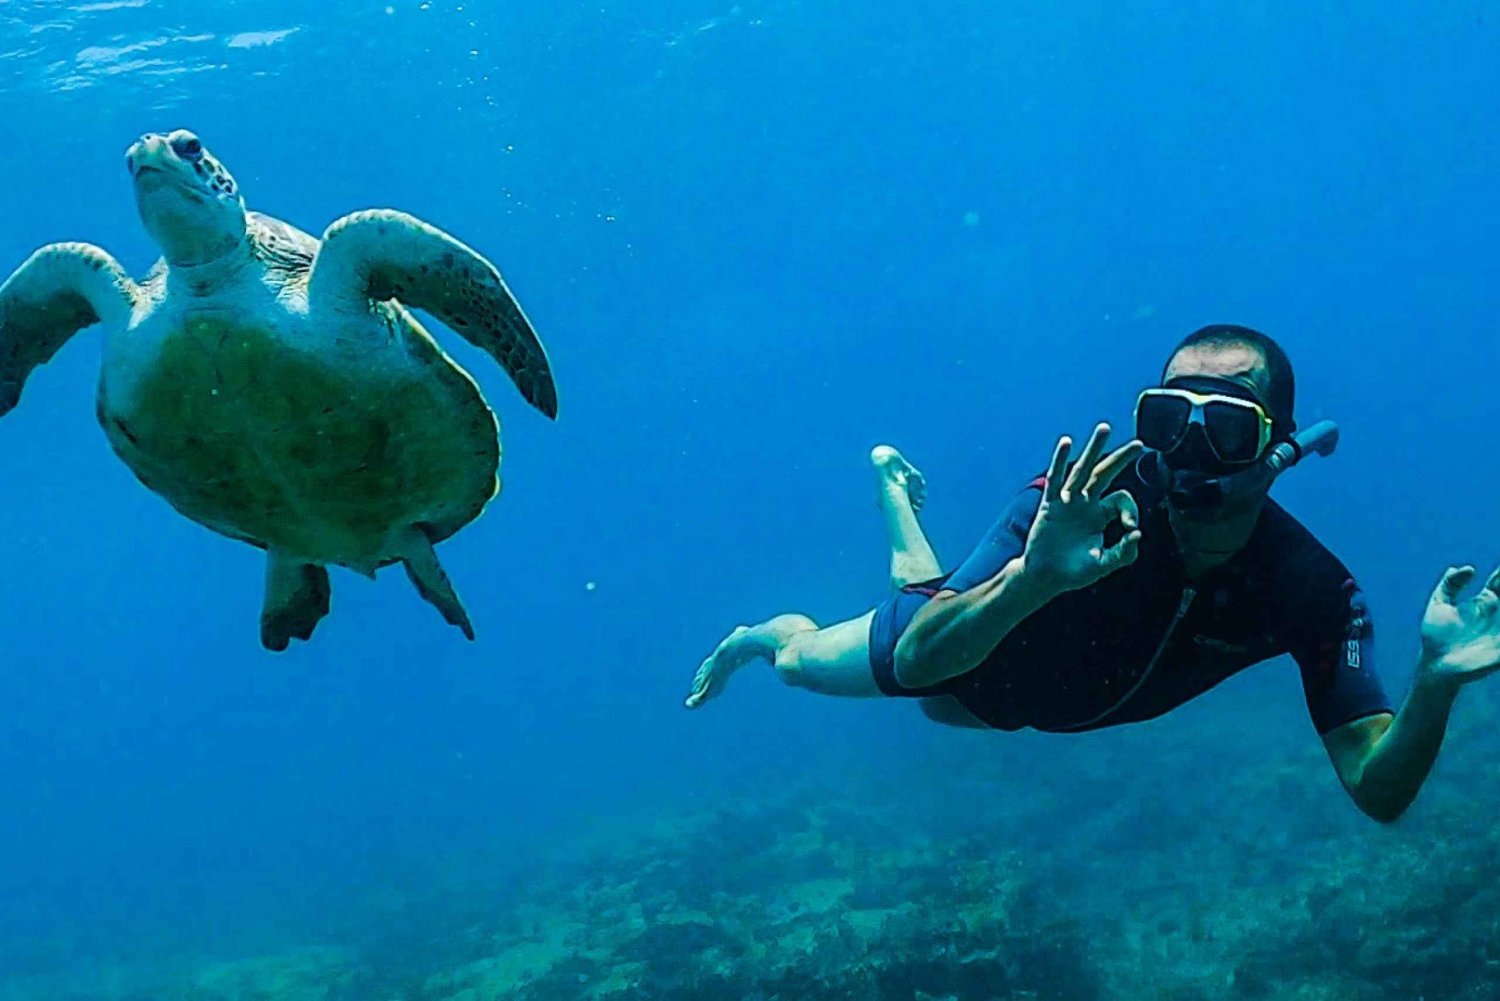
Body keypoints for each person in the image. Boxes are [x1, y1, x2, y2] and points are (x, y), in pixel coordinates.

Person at [684, 324, 1500, 824]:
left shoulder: (1313, 589)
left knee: (928, 618)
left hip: (1005, 699)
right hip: (964, 661)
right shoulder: (1076, 504)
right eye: (1168, 420)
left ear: (1277, 449)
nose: (1189, 454)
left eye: (1225, 430)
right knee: (806, 664)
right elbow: (919, 661)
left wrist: (1433, 686)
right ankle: (764, 629)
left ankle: (895, 492)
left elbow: (1377, 789)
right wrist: (1035, 577)